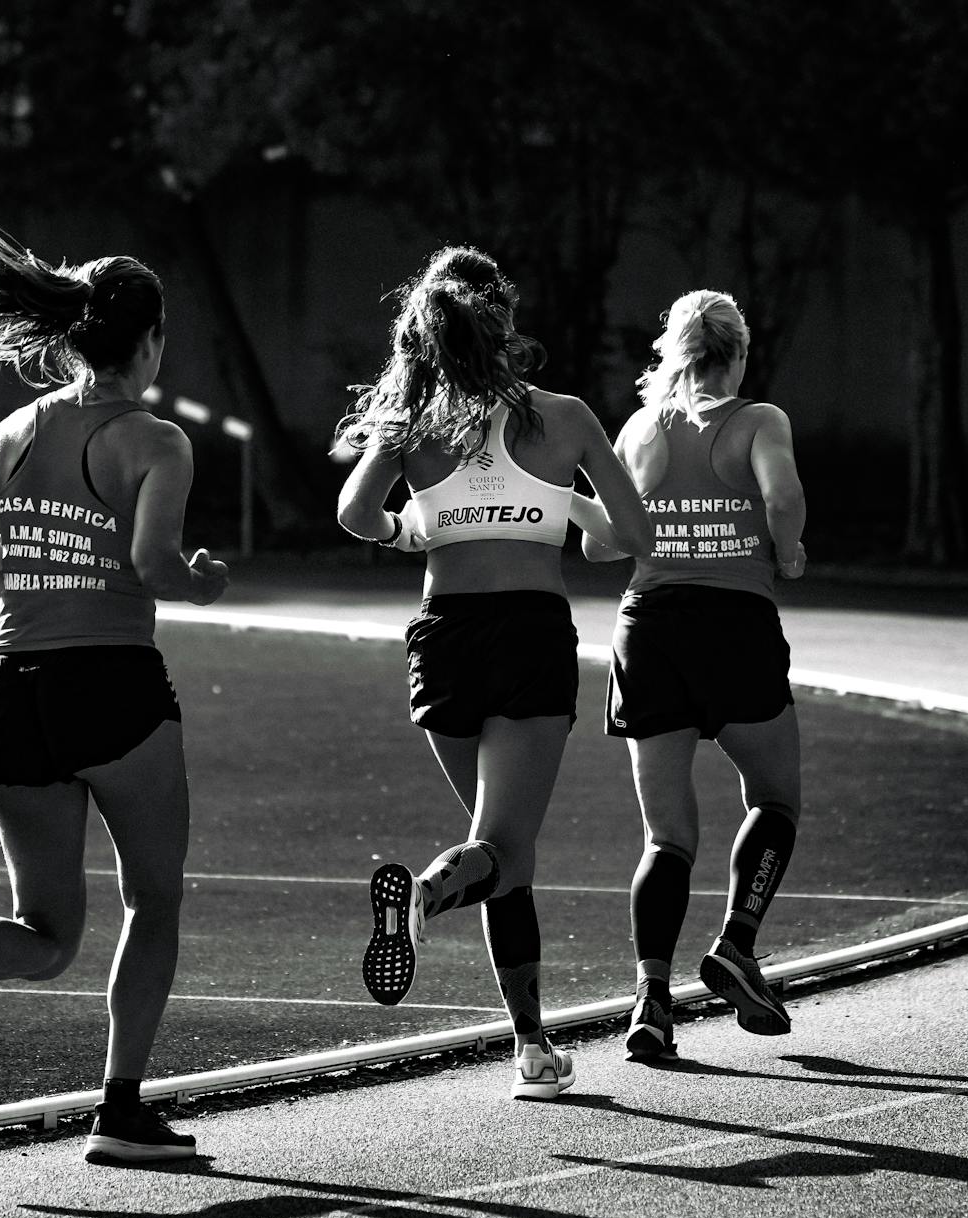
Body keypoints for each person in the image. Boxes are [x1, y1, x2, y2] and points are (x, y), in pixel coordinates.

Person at [0, 226, 229, 1163]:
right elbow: (152, 562)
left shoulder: (14, 431)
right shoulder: (158, 440)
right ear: (150, 341)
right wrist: (199, 582)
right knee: (153, 899)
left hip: (9, 691)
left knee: (47, 932)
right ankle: (120, 1111)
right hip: (111, 684)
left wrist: (33, 552)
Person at [336, 244, 651, 1099]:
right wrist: (567, 505)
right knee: (501, 850)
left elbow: (356, 513)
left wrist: (410, 529)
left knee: (502, 850)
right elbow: (633, 536)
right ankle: (427, 892)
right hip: (528, 634)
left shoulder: (412, 418)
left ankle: (533, 1049)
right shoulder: (564, 414)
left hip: (443, 638)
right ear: (504, 322)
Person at [575, 289, 806, 1062]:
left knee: (667, 835)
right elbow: (782, 495)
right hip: (735, 624)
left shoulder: (642, 427)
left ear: (674, 353)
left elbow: (602, 546)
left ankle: (650, 999)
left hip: (651, 631)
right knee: (774, 796)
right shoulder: (760, 421)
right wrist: (788, 552)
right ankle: (737, 941)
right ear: (739, 353)